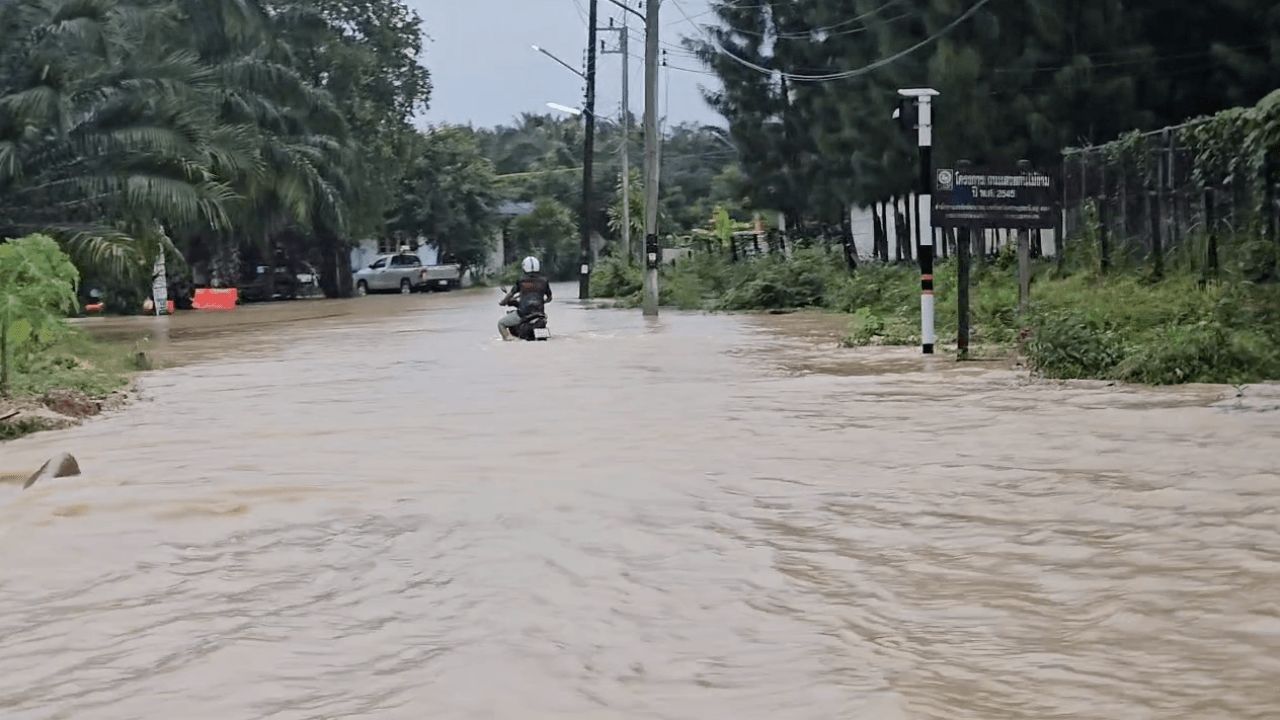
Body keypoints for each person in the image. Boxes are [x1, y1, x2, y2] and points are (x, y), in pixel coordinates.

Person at [499, 256, 552, 340]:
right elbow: (549, 298)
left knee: (501, 323)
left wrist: (502, 302)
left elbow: (510, 294)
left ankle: (509, 340)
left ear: (524, 267)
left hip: (523, 313)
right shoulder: (544, 281)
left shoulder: (521, 281)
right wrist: (542, 302)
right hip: (540, 314)